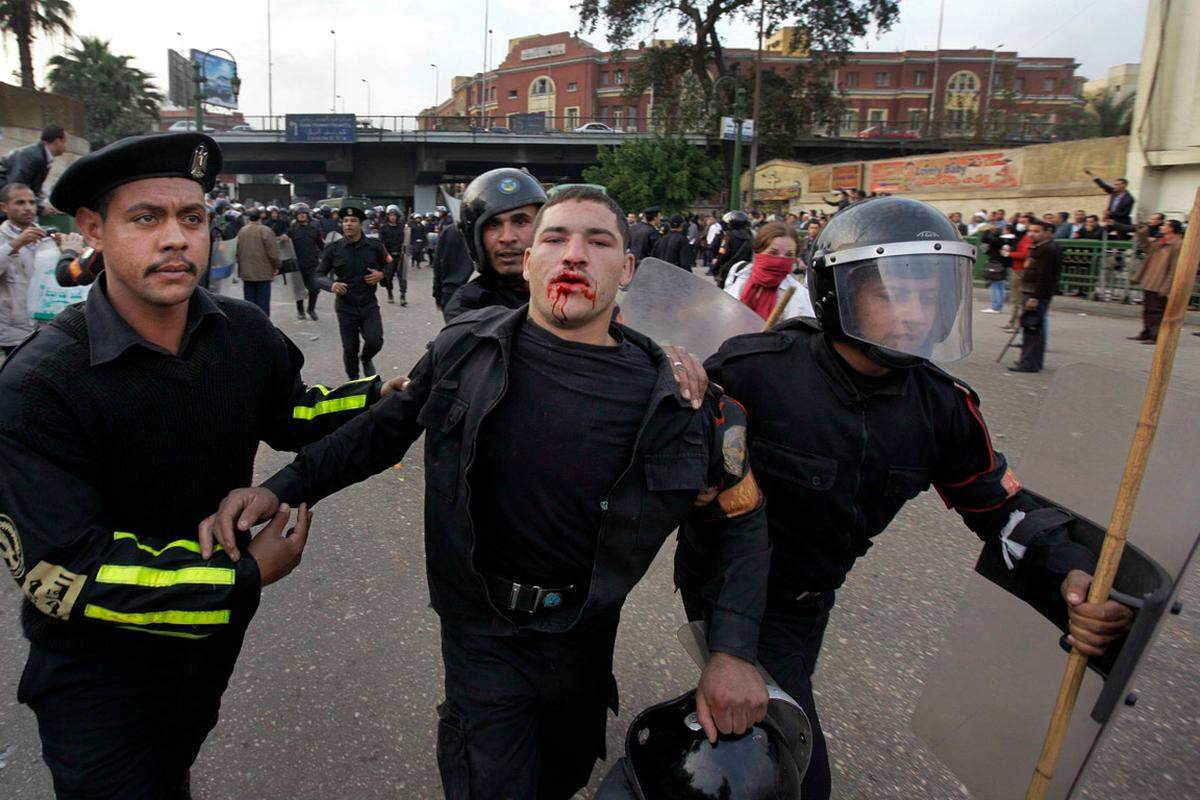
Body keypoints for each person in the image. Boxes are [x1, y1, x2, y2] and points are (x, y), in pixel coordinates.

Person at [202, 186, 771, 800]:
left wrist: (733, 651)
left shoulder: (686, 402)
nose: (573, 254)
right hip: (483, 632)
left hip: (584, 636)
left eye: (598, 241)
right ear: (529, 261)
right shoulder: (464, 351)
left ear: (627, 268)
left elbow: (740, 523)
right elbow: (378, 433)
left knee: (565, 771)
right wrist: (281, 488)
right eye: (554, 239)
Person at [676, 195, 1132, 800]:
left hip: (811, 599)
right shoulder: (757, 370)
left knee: (762, 717)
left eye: (930, 294)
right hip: (728, 585)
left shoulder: (942, 407)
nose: (917, 311)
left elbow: (1000, 507)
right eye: (893, 292)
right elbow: (673, 469)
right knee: (785, 771)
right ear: (838, 292)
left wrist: (1071, 573)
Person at [1, 132, 399, 800]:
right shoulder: (39, 386)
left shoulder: (241, 333)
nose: (177, 239)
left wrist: (381, 396)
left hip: (205, 651)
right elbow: (63, 572)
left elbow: (290, 415)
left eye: (192, 218)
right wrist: (243, 575)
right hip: (98, 676)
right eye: (146, 218)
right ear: (93, 229)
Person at [443, 167, 547, 322]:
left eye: (520, 221)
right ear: (476, 238)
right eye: (493, 225)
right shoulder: (468, 307)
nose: (507, 238)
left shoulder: (573, 291)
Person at [317, 199, 389, 380]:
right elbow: (318, 275)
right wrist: (331, 285)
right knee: (350, 348)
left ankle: (366, 359)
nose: (348, 224)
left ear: (360, 224)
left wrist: (381, 275)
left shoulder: (375, 246)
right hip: (345, 306)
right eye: (345, 221)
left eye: (353, 221)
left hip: (368, 304)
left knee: (375, 341)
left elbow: (389, 265)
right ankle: (354, 381)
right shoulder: (334, 249)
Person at [722, 221, 813, 322]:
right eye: (773, 253)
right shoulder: (739, 271)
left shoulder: (799, 295)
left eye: (789, 255)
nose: (780, 261)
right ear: (759, 251)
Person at [0, 183, 53, 354]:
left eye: (32, 202)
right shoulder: (3, 237)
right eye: (20, 203)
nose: (28, 208)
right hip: (14, 328)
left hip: (46, 325)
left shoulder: (46, 238)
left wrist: (63, 250)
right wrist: (16, 244)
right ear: (4, 207)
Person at [1010, 217, 1061, 373]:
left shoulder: (1048, 249)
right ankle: (1030, 360)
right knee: (1031, 327)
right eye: (1030, 231)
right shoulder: (1038, 247)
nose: (1032, 234)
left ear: (1045, 232)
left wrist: (1035, 297)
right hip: (1031, 291)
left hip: (1036, 293)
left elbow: (1045, 276)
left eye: (1036, 231)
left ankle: (1029, 362)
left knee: (1032, 328)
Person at [1128, 219, 1183, 343]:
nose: (1162, 227)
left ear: (1172, 229)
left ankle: (1156, 335)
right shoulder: (1161, 241)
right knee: (1148, 309)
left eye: (1165, 225)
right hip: (1150, 279)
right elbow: (1148, 247)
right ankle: (1146, 332)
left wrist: (1166, 287)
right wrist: (1143, 234)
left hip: (1160, 282)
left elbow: (1174, 269)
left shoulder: (1178, 245)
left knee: (1157, 311)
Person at [0, 124, 68, 214]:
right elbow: (16, 187)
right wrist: (40, 207)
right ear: (57, 141)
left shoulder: (42, 156)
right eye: (64, 142)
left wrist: (42, 203)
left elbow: (32, 188)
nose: (65, 147)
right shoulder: (32, 156)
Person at [235, 208, 281, 317]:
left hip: (246, 273)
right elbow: (273, 253)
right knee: (263, 305)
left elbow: (237, 251)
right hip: (263, 273)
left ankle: (251, 327)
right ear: (260, 217)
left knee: (249, 304)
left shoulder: (242, 231)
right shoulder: (266, 231)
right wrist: (277, 266)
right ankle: (263, 328)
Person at [284, 203, 324, 321]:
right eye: (299, 214)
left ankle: (311, 309)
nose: (301, 215)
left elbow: (321, 244)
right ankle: (300, 311)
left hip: (312, 264)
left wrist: (327, 255)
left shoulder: (315, 228)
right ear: (296, 215)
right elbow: (284, 243)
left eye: (304, 213)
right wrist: (283, 239)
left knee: (315, 288)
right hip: (297, 265)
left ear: (307, 215)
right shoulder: (292, 228)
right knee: (298, 289)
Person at [431, 219, 474, 313]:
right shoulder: (484, 230)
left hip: (451, 291)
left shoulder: (448, 231)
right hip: (477, 291)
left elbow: (438, 265)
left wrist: (437, 294)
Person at [714, 210, 753, 287]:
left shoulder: (728, 237)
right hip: (744, 269)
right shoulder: (750, 236)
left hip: (728, 270)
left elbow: (722, 254)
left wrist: (715, 268)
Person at [978, 218, 1010, 312]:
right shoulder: (1004, 239)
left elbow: (985, 239)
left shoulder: (997, 239)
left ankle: (995, 306)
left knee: (995, 286)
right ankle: (998, 306)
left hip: (996, 263)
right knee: (1000, 286)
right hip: (1002, 263)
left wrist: (987, 230)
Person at [378, 207, 407, 305]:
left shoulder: (401, 227)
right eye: (390, 215)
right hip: (389, 255)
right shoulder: (384, 228)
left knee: (402, 276)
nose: (392, 217)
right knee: (388, 277)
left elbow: (406, 240)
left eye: (394, 215)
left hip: (401, 255)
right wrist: (385, 254)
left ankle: (403, 296)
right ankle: (390, 293)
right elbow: (381, 243)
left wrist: (405, 246)